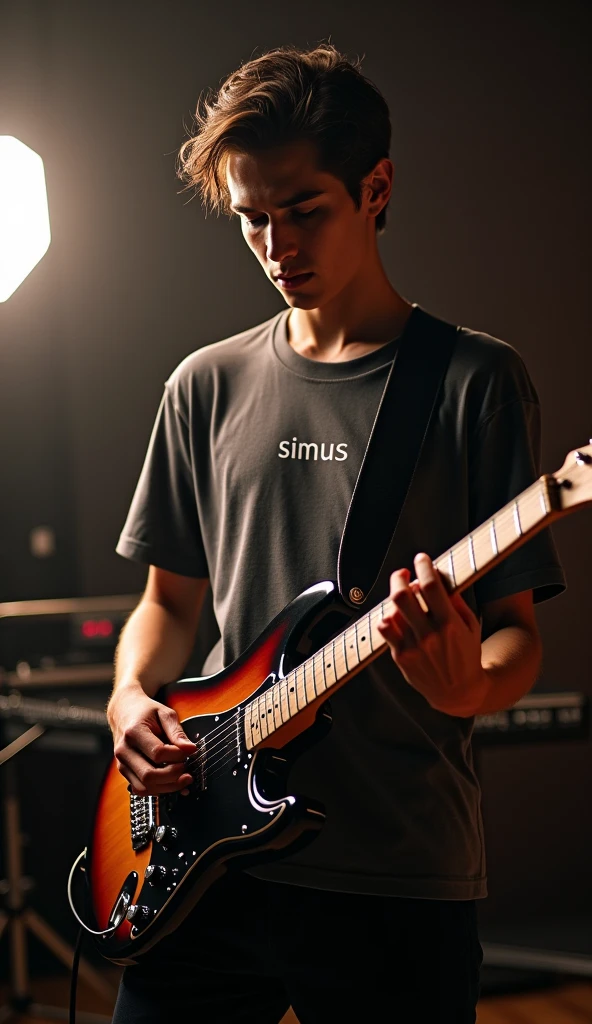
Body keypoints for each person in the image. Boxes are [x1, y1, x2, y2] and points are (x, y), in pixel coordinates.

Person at [108, 43, 565, 1023]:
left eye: (303, 210)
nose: (278, 247)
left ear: (376, 188)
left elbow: (515, 634)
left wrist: (467, 682)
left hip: (397, 872)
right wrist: (128, 698)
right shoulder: (204, 384)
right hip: (204, 858)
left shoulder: (474, 382)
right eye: (251, 221)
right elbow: (165, 603)